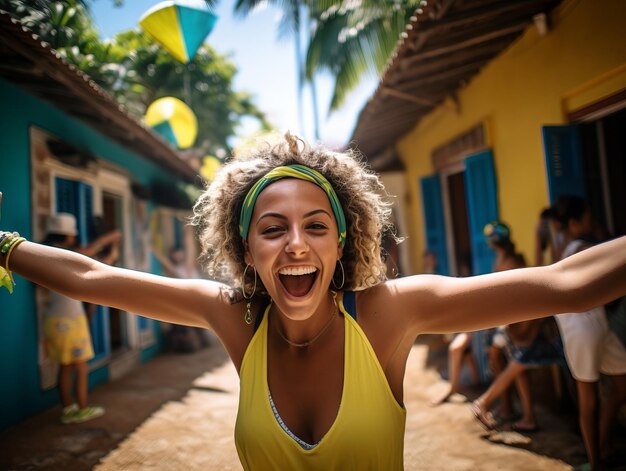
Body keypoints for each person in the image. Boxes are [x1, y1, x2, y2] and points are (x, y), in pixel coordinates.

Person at [1, 133, 626, 469]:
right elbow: (87, 278)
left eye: (316, 226)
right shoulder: (233, 315)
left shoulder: (387, 314)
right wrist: (3, 245)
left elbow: (571, 282)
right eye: (273, 228)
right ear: (246, 250)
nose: (295, 244)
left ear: (343, 240)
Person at [551, 195, 626, 470]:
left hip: (592, 326)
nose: (592, 221)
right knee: (589, 399)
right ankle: (595, 461)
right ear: (574, 223)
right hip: (584, 328)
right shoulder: (584, 247)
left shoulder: (562, 248)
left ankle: (601, 447)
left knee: (616, 387)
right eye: (587, 217)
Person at [39, 212, 121, 424]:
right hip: (71, 321)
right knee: (81, 367)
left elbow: (102, 261)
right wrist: (110, 237)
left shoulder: (43, 256)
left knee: (66, 367)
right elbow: (89, 253)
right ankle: (82, 408)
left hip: (56, 321)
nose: (74, 238)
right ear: (67, 235)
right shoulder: (62, 255)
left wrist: (112, 248)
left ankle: (69, 409)